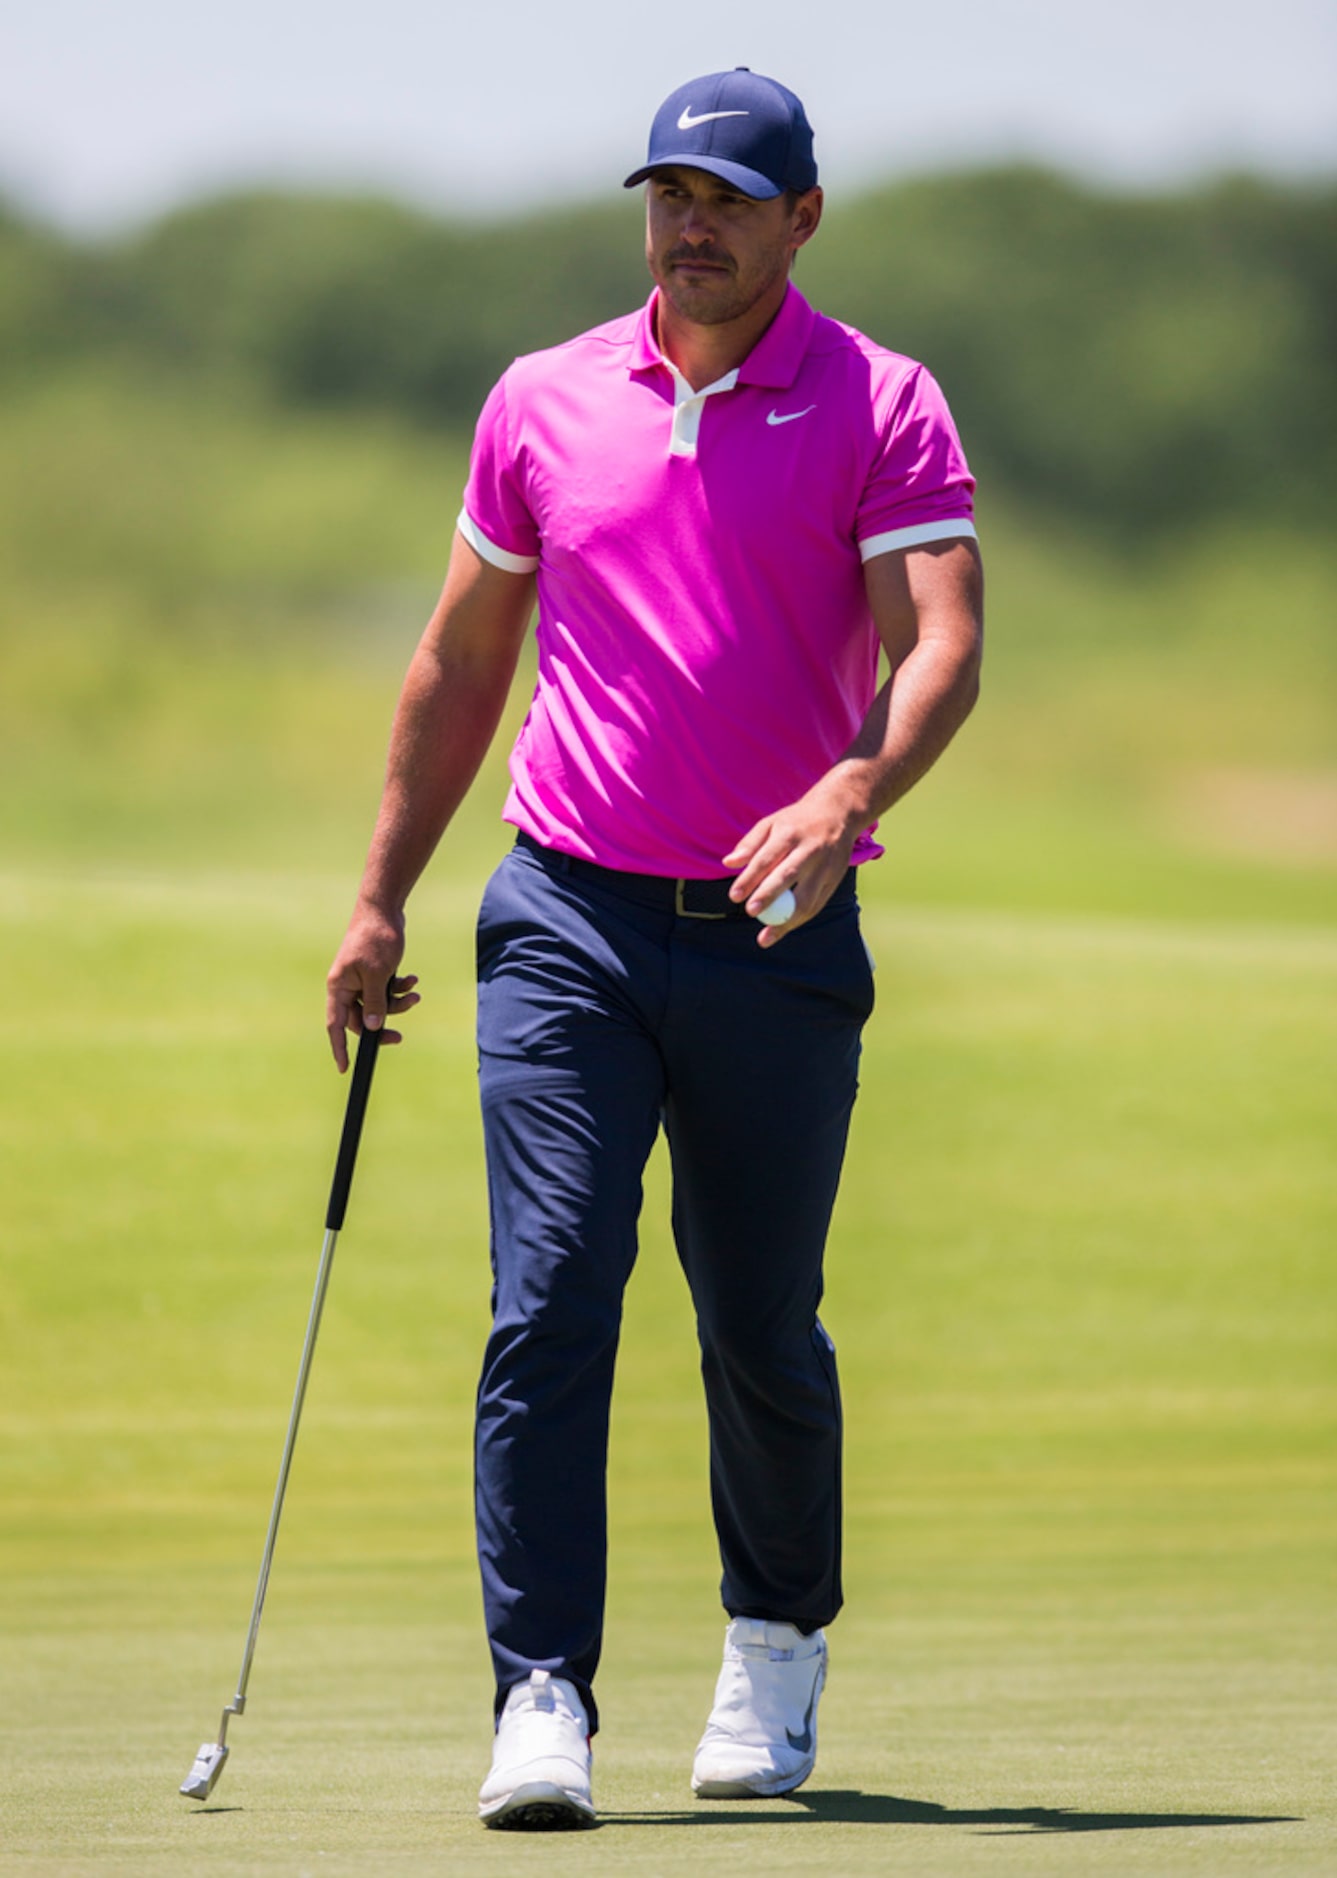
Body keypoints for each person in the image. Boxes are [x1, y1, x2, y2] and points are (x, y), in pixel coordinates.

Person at [325, 65, 983, 1832]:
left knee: (759, 1322)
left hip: (777, 927)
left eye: (726, 199)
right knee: (547, 1301)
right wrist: (383, 888)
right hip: (565, 915)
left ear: (799, 219)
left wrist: (851, 788)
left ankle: (772, 1637)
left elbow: (942, 646)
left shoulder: (880, 401)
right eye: (666, 197)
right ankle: (539, 1691)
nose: (688, 226)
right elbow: (463, 662)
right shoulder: (542, 398)